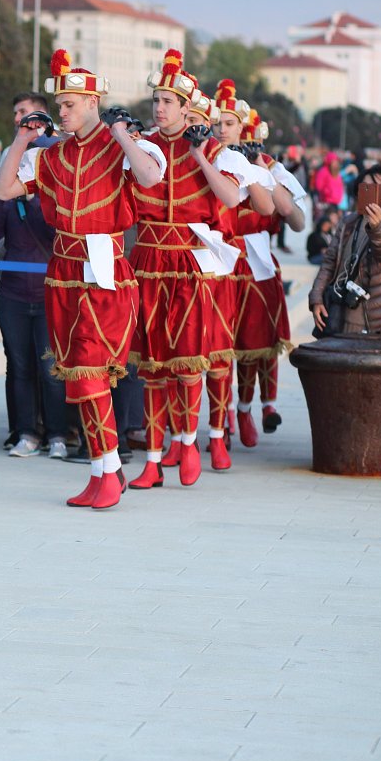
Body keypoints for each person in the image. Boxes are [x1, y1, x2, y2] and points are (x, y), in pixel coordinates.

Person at [0, 49, 165, 509]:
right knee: (76, 377)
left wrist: (120, 132)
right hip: (63, 272)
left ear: (93, 102)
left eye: (70, 104)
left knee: (91, 374)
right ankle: (103, 470)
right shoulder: (51, 155)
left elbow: (150, 177)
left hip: (105, 271)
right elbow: (4, 189)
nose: (62, 112)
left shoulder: (125, 146)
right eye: (60, 105)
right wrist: (21, 140)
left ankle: (108, 471)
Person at [128, 50, 269, 490]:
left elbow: (230, 199)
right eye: (156, 100)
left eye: (167, 101)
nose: (159, 108)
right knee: (152, 366)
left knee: (190, 360)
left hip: (190, 262)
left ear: (186, 107)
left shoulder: (213, 149)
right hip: (149, 260)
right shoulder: (144, 145)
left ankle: (191, 443)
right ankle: (153, 459)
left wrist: (200, 154)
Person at [212, 91, 304, 453]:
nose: (221, 130)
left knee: (256, 342)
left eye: (228, 124)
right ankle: (222, 419)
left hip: (255, 266)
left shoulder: (266, 164)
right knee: (217, 346)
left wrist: (262, 171)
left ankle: (248, 408)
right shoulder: (206, 159)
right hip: (218, 261)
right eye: (216, 123)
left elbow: (296, 220)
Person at [0, 118, 70, 460]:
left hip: (51, 296)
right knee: (19, 367)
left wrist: (38, 200)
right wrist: (1, 199)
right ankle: (26, 433)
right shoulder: (9, 195)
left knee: (51, 370)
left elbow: (58, 236)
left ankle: (59, 434)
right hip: (13, 295)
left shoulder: (61, 199)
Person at [309, 166, 381, 337]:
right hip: (337, 303)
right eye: (364, 187)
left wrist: (377, 227)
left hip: (368, 309)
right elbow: (329, 261)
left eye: (375, 188)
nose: (368, 192)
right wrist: (316, 298)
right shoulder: (348, 221)